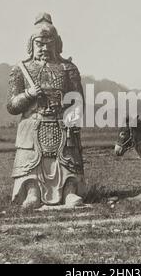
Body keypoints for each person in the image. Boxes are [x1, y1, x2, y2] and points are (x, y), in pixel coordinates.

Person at [7, 12, 86, 209]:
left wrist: (70, 118)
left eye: (48, 43)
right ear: (31, 45)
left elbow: (79, 101)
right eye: (39, 44)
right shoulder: (20, 69)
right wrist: (28, 94)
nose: (43, 48)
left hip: (61, 124)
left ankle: (69, 193)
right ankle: (32, 193)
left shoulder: (68, 69)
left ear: (57, 44)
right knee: (31, 161)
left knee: (67, 159)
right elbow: (11, 106)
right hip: (32, 124)